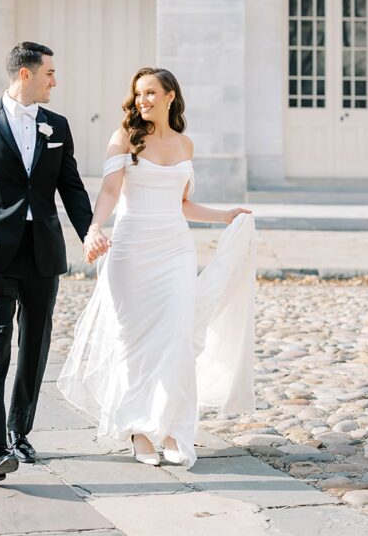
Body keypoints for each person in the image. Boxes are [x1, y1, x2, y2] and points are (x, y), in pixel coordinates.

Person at [57, 66, 256, 467]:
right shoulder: (124, 137)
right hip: (130, 251)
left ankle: (172, 428)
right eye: (138, 94)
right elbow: (109, 191)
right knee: (133, 343)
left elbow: (181, 203)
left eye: (150, 92)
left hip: (175, 252)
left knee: (175, 341)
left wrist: (224, 216)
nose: (142, 100)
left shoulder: (185, 144)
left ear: (170, 96)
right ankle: (138, 429)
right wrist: (94, 229)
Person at [0, 42, 93, 481]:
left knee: (35, 346)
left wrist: (91, 234)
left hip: (44, 251)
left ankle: (20, 431)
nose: (55, 81)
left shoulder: (57, 125)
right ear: (26, 74)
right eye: (50, 73)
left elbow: (72, 188)